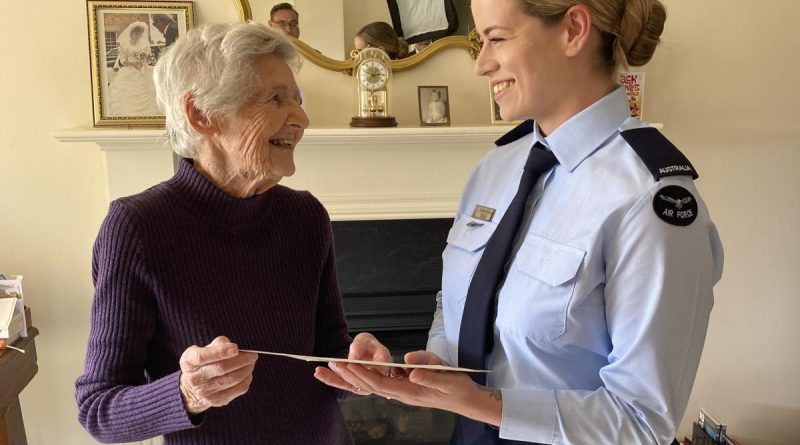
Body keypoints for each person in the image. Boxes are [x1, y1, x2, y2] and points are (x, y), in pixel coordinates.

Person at [316, 1, 724, 444]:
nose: (481, 65)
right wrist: (419, 370)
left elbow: (643, 422)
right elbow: (453, 302)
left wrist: (477, 402)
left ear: (573, 29)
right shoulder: (495, 169)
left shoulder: (650, 200)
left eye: (495, 38)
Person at [76, 22, 353, 445]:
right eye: (275, 99)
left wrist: (362, 364)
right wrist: (188, 393)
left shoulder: (306, 216)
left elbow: (329, 358)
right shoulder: (137, 227)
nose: (301, 119)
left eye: (296, 100)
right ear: (200, 114)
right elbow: (99, 410)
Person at [108, 21, 159, 116]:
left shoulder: (144, 45)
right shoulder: (125, 45)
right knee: (126, 94)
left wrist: (144, 60)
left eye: (140, 33)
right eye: (136, 33)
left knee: (149, 89)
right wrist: (133, 64)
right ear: (131, 33)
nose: (138, 35)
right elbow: (122, 61)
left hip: (142, 70)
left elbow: (147, 59)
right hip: (129, 70)